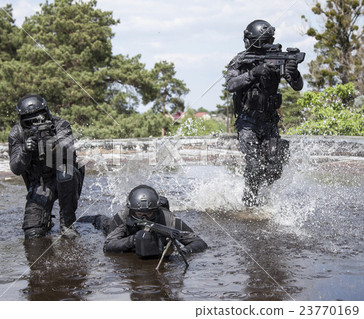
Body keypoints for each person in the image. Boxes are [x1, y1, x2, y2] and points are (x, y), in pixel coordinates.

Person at [225, 19, 303, 207]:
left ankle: (259, 195)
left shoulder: (278, 58)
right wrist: (254, 73)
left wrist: (294, 72)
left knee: (275, 168)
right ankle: (249, 205)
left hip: (269, 123)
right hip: (247, 123)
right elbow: (231, 85)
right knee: (253, 166)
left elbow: (297, 86)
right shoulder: (241, 59)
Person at [8, 94, 84, 239]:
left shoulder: (60, 125)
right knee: (32, 233)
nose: (35, 124)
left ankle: (67, 223)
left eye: (39, 119)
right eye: (29, 122)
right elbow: (15, 168)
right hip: (40, 183)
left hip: (64, 178)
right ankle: (45, 219)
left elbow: (68, 153)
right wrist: (26, 150)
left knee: (66, 171)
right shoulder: (17, 133)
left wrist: (49, 142)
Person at [102, 185, 207, 257]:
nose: (144, 218)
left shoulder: (168, 218)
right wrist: (133, 240)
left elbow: (198, 242)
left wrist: (184, 252)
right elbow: (108, 245)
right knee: (100, 221)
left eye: (149, 214)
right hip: (112, 227)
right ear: (131, 211)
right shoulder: (123, 215)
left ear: (156, 211)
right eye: (139, 214)